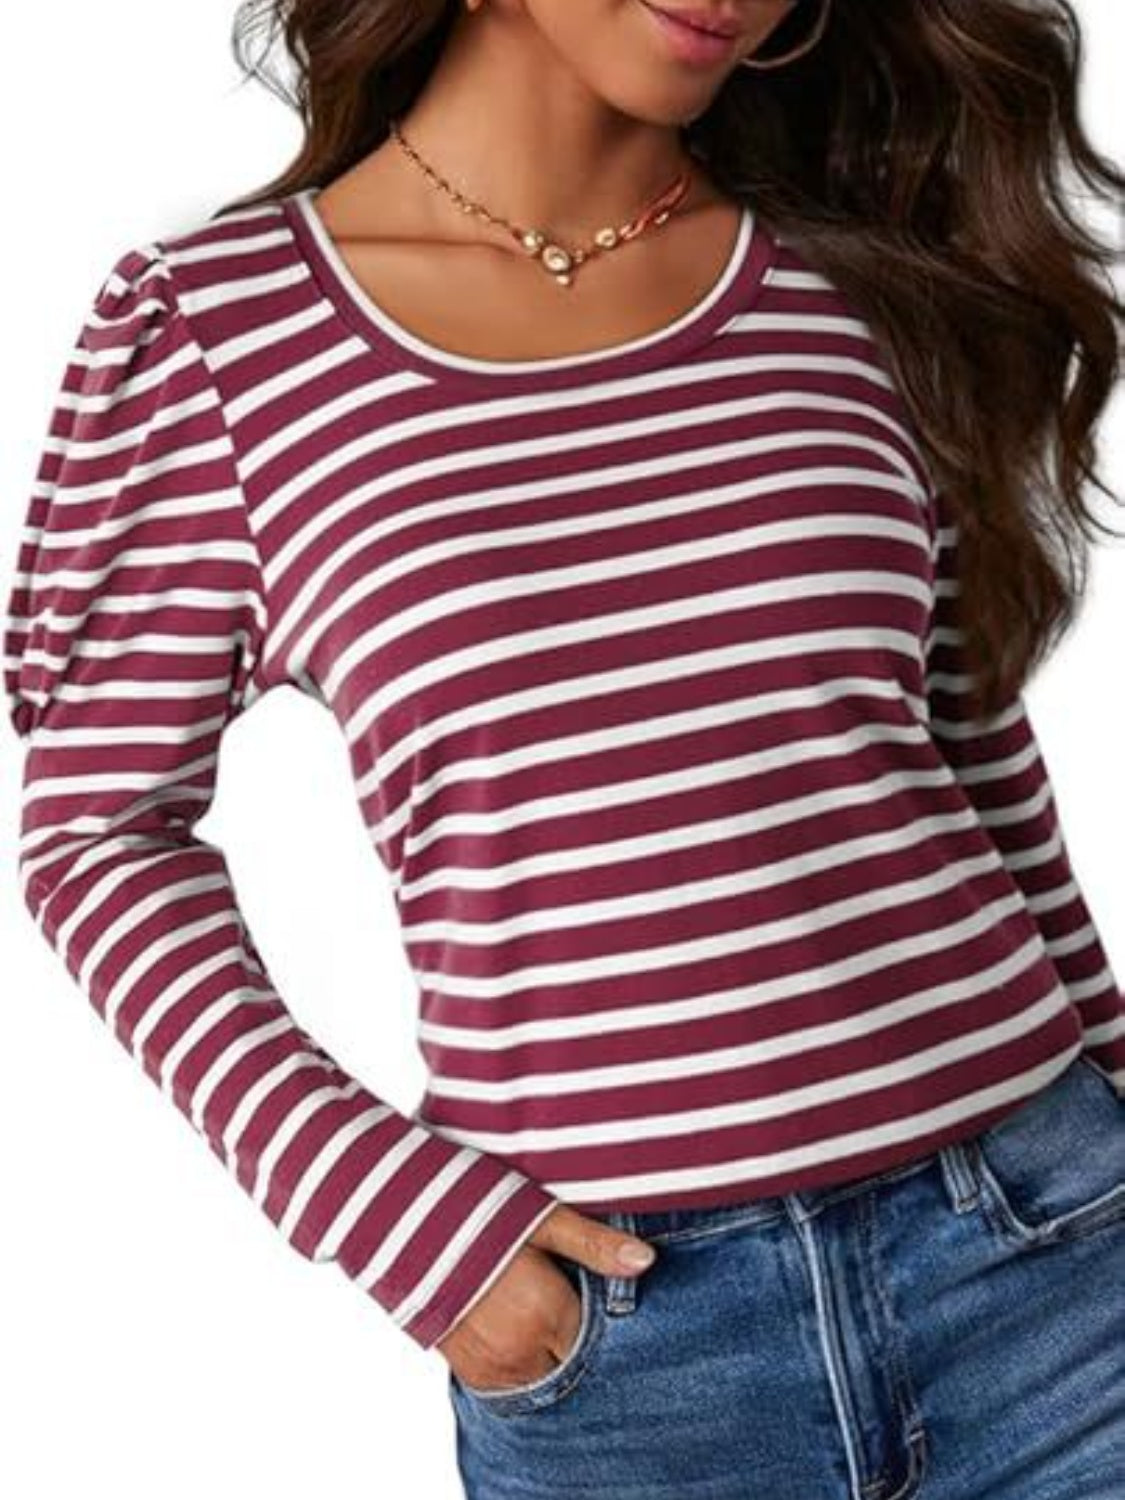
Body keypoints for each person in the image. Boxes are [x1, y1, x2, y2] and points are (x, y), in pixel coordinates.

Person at [5, 0, 1125, 1495]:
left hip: (1051, 1260)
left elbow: (963, 746)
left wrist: (1113, 1064)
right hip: (631, 1357)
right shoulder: (219, 334)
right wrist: (392, 1217)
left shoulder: (853, 271)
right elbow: (96, 835)